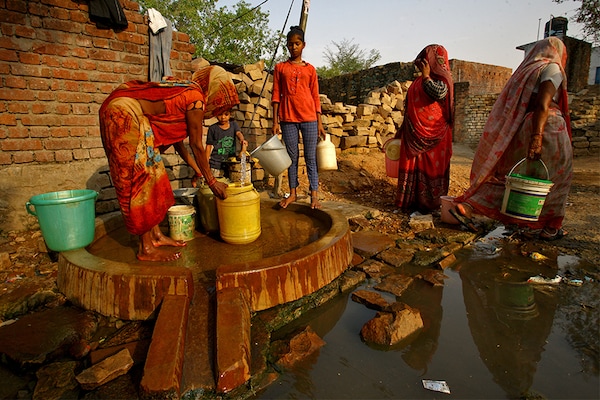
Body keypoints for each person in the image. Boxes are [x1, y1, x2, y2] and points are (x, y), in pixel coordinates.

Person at [99, 65, 240, 261]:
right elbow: (197, 145)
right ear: (215, 92)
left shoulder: (187, 91)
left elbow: (179, 145)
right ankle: (145, 248)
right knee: (140, 178)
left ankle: (156, 236)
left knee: (155, 172)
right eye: (222, 103)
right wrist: (212, 182)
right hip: (123, 113)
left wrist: (198, 171)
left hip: (129, 111)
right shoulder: (196, 101)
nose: (221, 108)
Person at [453, 37, 572, 241]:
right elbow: (543, 104)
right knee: (557, 178)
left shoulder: (526, 71)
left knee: (513, 177)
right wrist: (537, 137)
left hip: (523, 127)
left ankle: (470, 205)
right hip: (547, 127)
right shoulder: (552, 69)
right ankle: (550, 227)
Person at [393, 44, 454, 213]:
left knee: (430, 167)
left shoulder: (444, 79)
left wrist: (427, 76)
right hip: (413, 132)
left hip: (435, 134)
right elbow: (410, 107)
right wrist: (402, 129)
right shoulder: (418, 81)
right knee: (413, 166)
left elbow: (439, 94)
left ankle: (430, 204)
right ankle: (410, 202)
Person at [272, 25, 326, 209]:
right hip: (288, 119)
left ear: (303, 45)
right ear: (287, 46)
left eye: (297, 43)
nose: (293, 47)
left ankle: (314, 195)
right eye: (290, 44)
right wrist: (275, 121)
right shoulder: (280, 68)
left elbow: (315, 96)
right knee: (291, 157)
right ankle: (293, 193)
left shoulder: (310, 70)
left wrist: (319, 122)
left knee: (311, 157)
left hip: (309, 118)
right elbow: (276, 95)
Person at [206, 110, 248, 178]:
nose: (223, 117)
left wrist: (242, 140)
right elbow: (209, 146)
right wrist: (206, 162)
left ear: (230, 114)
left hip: (230, 164)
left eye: (226, 114)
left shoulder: (233, 125)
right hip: (216, 164)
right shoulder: (212, 128)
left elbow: (238, 133)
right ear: (216, 115)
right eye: (220, 114)